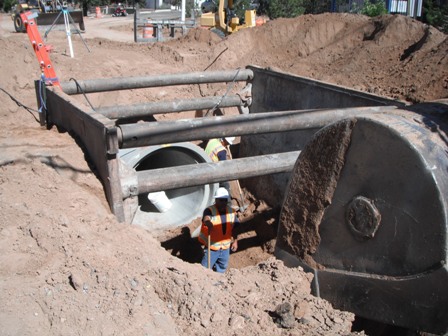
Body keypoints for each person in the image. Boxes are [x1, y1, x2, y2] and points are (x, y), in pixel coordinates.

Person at [198, 187, 239, 273]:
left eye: (225, 200)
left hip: (225, 248)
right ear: (216, 200)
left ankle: (218, 283)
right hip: (212, 247)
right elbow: (206, 217)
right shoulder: (210, 210)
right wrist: (208, 222)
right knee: (204, 269)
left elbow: (235, 228)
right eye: (221, 200)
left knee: (222, 267)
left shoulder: (231, 212)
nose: (223, 203)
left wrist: (235, 241)